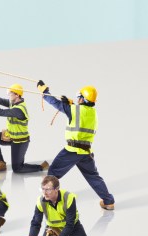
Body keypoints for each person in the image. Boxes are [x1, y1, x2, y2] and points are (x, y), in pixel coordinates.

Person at [36, 81, 115, 210]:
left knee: (52, 174)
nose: (77, 99)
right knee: (93, 177)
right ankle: (108, 201)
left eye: (79, 97)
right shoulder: (92, 112)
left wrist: (44, 91)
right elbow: (79, 113)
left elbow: (55, 103)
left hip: (72, 151)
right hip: (86, 152)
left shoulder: (74, 109)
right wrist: (71, 103)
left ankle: (49, 201)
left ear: (83, 98)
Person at [0, 81, 47, 174]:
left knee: (17, 169)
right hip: (11, 136)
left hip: (20, 141)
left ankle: (41, 167)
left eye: (10, 93)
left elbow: (0, 112)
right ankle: (1, 163)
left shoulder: (19, 109)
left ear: (17, 95)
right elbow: (0, 100)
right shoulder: (14, 103)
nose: (9, 95)